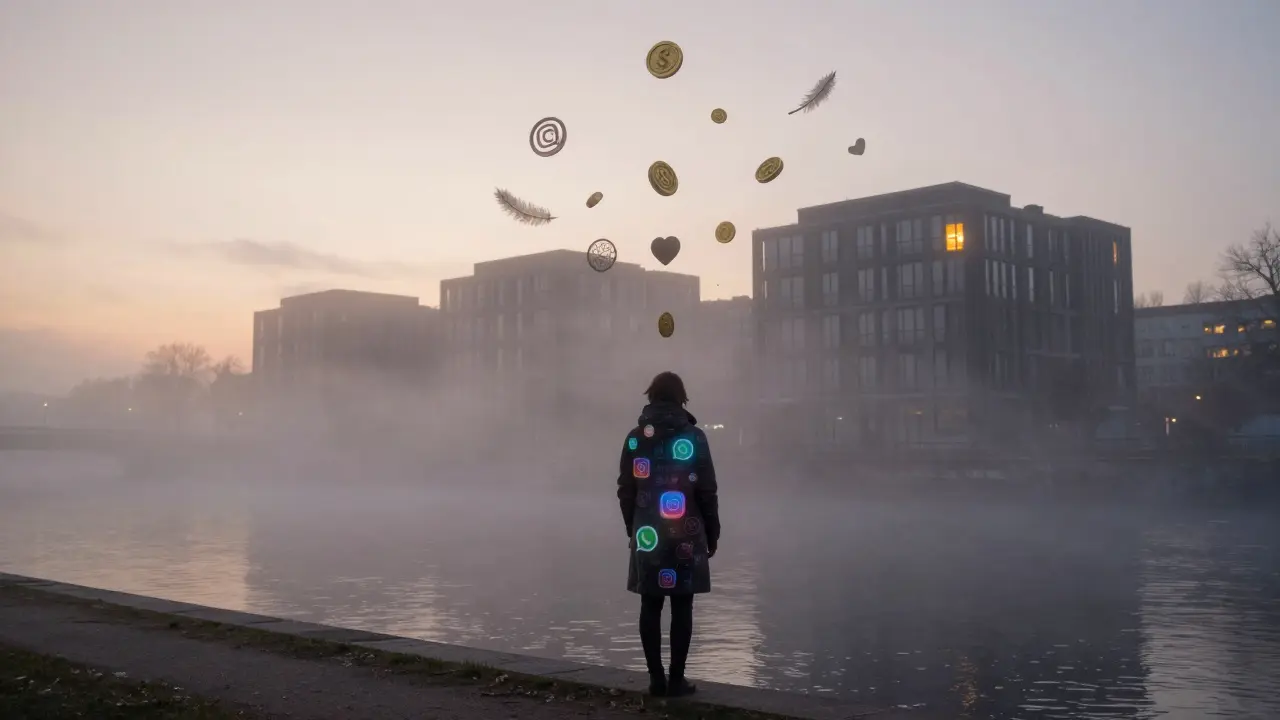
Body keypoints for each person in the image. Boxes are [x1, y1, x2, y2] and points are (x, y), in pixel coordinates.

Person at [616, 371, 721, 697]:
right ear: (681, 399)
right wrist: (712, 531)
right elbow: (707, 490)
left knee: (651, 604)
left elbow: (625, 489)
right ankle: (677, 679)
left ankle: (656, 679)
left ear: (651, 397)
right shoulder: (695, 438)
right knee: (682, 606)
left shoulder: (635, 438)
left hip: (648, 532)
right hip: (686, 534)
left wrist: (632, 527)